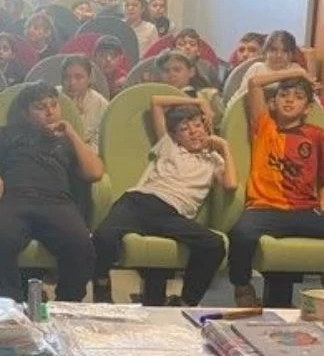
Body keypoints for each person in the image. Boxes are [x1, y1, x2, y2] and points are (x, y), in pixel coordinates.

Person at [228, 68, 324, 308]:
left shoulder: (316, 135)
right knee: (241, 234)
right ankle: (242, 289)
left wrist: (322, 208)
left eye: (298, 97)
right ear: (272, 103)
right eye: (283, 95)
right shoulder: (265, 126)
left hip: (306, 212)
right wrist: (295, 71)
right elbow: (255, 83)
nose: (290, 100)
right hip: (265, 209)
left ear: (308, 108)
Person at [92, 97, 237, 306]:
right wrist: (198, 101)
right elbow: (156, 102)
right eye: (185, 129)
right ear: (175, 136)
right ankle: (102, 284)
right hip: (139, 201)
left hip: (171, 213)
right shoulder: (169, 145)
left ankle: (185, 301)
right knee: (104, 236)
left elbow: (230, 185)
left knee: (214, 245)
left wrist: (224, 146)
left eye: (198, 125)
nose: (194, 132)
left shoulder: (214, 160)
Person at [0, 83, 104, 302]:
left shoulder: (68, 140)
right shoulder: (8, 134)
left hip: (57, 202)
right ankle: (11, 300)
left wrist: (71, 133)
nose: (50, 111)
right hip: (14, 199)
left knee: (82, 247)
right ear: (26, 114)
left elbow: (95, 172)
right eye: (40, 107)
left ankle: (66, 304)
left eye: (54, 105)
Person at [159, 50, 224, 129]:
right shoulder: (159, 101)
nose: (171, 74)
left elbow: (224, 128)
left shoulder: (209, 96)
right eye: (166, 71)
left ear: (191, 72)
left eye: (177, 70)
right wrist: (198, 101)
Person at [61, 56, 109, 151]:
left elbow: (102, 142)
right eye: (67, 77)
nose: (72, 82)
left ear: (89, 78)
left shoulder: (100, 103)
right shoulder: (52, 98)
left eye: (78, 77)